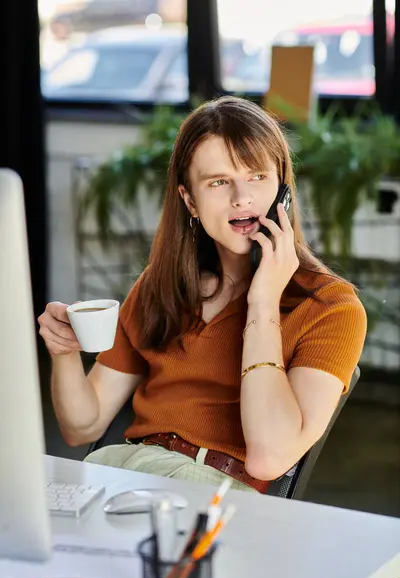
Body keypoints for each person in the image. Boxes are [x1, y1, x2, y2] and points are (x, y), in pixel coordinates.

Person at [38, 96, 367, 494]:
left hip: (213, 491)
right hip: (119, 471)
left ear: (283, 191)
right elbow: (82, 426)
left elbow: (270, 456)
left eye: (257, 177)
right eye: (218, 182)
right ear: (190, 200)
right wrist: (64, 352)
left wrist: (262, 302)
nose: (241, 197)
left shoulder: (329, 307)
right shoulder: (161, 288)